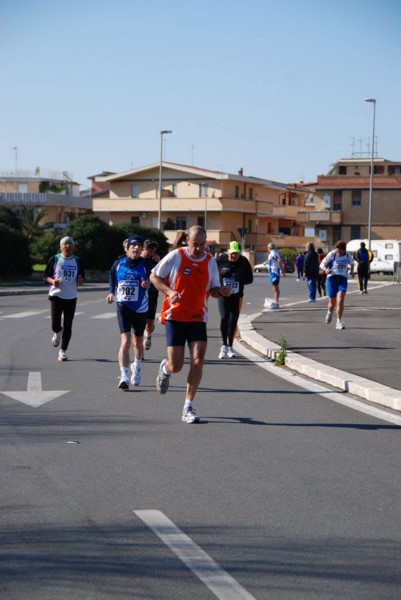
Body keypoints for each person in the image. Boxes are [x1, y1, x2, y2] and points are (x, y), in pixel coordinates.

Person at [150, 225, 231, 424]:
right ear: (187, 240)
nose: (199, 249)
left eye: (203, 245)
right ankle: (165, 369)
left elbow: (212, 289)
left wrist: (221, 291)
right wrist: (169, 292)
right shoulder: (176, 256)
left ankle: (188, 406)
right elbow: (154, 276)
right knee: (176, 365)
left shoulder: (210, 262)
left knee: (198, 360)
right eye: (196, 244)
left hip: (197, 317)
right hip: (175, 316)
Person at [107, 235, 152, 390]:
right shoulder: (118, 264)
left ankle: (137, 368)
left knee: (137, 342)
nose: (136, 248)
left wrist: (148, 284)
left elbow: (155, 280)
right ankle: (124, 376)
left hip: (140, 308)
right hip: (123, 306)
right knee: (125, 341)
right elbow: (112, 277)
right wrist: (111, 292)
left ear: (142, 249)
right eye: (133, 245)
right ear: (127, 249)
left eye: (139, 245)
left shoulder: (146, 265)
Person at [44, 236, 85, 362]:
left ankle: (63, 351)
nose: (67, 246)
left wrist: (80, 280)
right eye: (65, 244)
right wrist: (52, 281)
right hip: (56, 295)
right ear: (61, 246)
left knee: (68, 325)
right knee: (55, 324)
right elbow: (45, 276)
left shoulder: (77, 260)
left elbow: (82, 277)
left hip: (71, 297)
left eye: (70, 244)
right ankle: (57, 332)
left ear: (73, 246)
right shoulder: (55, 259)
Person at [216, 240, 253, 359]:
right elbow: (212, 275)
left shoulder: (243, 261)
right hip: (223, 294)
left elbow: (250, 279)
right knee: (224, 317)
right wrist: (221, 278)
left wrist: (238, 278)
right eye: (232, 253)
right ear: (227, 251)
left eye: (236, 253)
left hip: (237, 295)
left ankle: (231, 347)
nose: (234, 256)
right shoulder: (220, 260)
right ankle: (224, 345)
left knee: (233, 320)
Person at [320, 240, 355, 330]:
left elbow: (352, 263)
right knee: (332, 303)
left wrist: (351, 270)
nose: (338, 252)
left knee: (340, 300)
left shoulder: (348, 255)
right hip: (332, 278)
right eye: (337, 250)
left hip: (342, 279)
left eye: (340, 251)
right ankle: (329, 312)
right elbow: (322, 264)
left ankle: (339, 322)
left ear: (344, 250)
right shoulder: (332, 254)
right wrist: (325, 269)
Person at [141, 239, 160, 352]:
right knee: (139, 323)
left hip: (152, 293)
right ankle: (139, 351)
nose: (153, 252)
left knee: (149, 324)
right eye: (151, 250)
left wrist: (159, 262)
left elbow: (163, 275)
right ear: (144, 249)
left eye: (154, 250)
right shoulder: (138, 261)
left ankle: (148, 334)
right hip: (140, 295)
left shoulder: (155, 263)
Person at [266, 242, 286, 308]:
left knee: (276, 289)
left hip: (274, 273)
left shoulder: (273, 254)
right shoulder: (274, 253)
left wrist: (282, 271)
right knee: (274, 289)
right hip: (273, 273)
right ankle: (275, 302)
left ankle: (276, 303)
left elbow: (279, 261)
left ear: (269, 248)